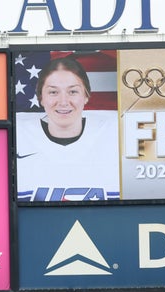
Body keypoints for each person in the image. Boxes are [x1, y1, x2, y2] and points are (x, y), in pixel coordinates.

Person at [15, 54, 119, 202]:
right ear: (41, 98)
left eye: (73, 92)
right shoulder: (16, 135)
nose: (63, 102)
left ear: (86, 96)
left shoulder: (115, 133)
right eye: (53, 92)